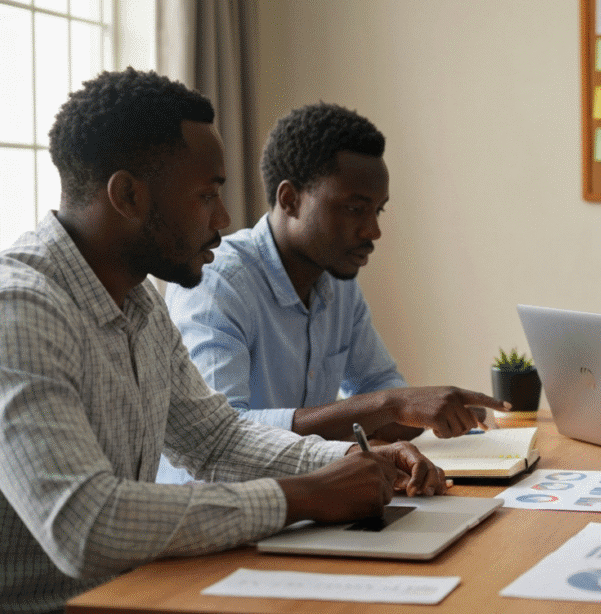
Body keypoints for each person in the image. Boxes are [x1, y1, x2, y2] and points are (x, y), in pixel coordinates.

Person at [0, 69, 446, 614]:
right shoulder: (13, 310)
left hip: (140, 593)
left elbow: (214, 440)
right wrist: (302, 495)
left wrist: (348, 457)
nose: (225, 219)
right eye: (206, 195)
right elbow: (85, 526)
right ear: (128, 195)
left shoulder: (139, 301)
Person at [157, 102, 507, 484]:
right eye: (355, 209)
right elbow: (222, 434)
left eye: (378, 211)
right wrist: (391, 405)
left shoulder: (337, 283)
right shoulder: (217, 283)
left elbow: (379, 389)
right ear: (289, 199)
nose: (373, 231)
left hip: (309, 502)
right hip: (222, 516)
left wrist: (426, 410)